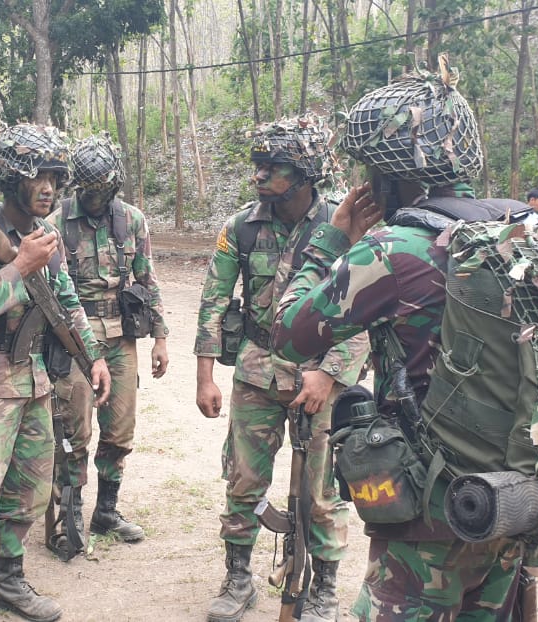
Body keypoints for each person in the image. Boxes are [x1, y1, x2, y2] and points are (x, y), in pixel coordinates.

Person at [271, 62, 531, 620]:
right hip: (511, 498)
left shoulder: (396, 248)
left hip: (430, 506)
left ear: (389, 174)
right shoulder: (521, 231)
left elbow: (289, 333)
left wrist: (331, 241)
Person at [195, 115, 365, 622]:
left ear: (306, 173)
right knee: (243, 480)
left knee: (321, 491)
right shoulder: (240, 227)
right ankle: (239, 578)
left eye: (274, 167)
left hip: (320, 376)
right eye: (259, 166)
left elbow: (364, 309)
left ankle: (324, 590)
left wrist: (330, 375)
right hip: (255, 371)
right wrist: (205, 375)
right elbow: (213, 300)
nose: (260, 176)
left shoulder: (345, 224)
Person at [0, 123, 112, 622]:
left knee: (29, 490)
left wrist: (93, 357)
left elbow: (66, 302)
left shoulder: (46, 239)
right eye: (37, 176)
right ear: (9, 178)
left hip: (35, 379)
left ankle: (9, 584)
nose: (48, 188)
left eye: (56, 178)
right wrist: (19, 267)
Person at [46, 132, 169, 547]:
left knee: (119, 432)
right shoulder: (57, 221)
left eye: (99, 192)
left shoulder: (131, 220)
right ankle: (69, 514)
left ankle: (106, 511)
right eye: (86, 191)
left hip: (121, 340)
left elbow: (148, 279)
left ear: (113, 186)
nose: (92, 199)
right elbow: (48, 290)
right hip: (74, 341)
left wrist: (160, 338)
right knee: (73, 432)